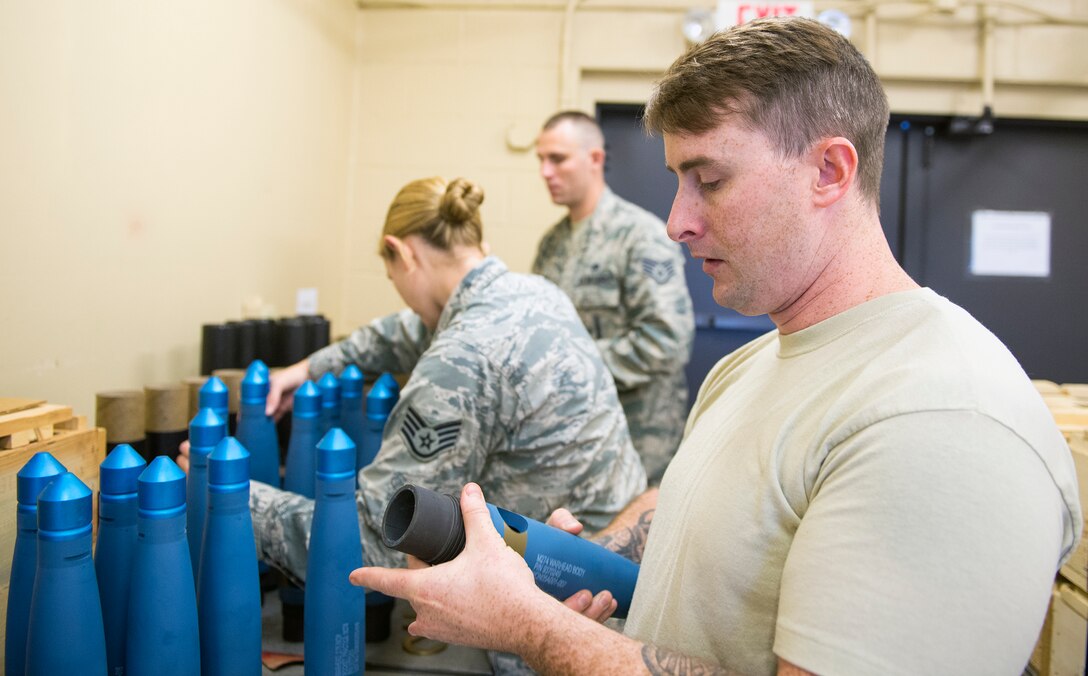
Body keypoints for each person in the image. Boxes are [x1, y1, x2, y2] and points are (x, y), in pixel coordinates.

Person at [350, 18, 1083, 675]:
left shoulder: (942, 421)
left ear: (829, 172)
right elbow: (693, 514)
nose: (677, 221)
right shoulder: (750, 365)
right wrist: (554, 562)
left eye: (711, 180)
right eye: (678, 181)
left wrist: (534, 630)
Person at [183, 176, 646, 590]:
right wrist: (308, 369)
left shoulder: (461, 357)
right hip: (622, 559)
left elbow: (369, 542)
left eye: (391, 277)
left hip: (564, 598)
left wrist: (225, 492)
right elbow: (404, 331)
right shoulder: (535, 293)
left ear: (402, 252)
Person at [534, 111, 694, 483]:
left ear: (595, 159)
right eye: (540, 160)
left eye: (556, 159)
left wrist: (571, 366)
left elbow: (667, 341)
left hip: (637, 443)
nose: (545, 171)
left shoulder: (640, 236)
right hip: (573, 438)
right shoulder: (552, 244)